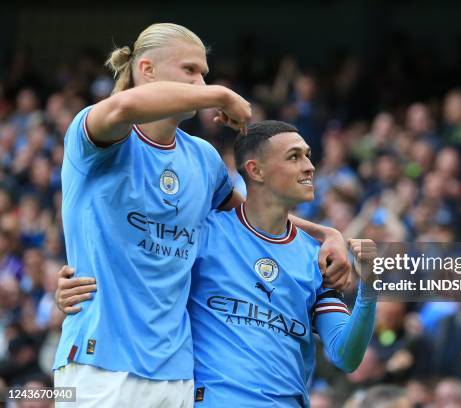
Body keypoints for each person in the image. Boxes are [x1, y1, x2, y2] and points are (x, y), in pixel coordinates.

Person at [55, 23, 350, 407]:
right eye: (190, 70)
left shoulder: (203, 159)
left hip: (177, 374)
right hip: (99, 362)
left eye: (204, 75)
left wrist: (327, 234)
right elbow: (125, 106)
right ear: (147, 70)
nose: (200, 83)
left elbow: (253, 221)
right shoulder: (98, 137)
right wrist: (222, 94)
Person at [58, 120, 377, 407]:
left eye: (308, 155)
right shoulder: (202, 235)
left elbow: (345, 354)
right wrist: (82, 280)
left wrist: (370, 289)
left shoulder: (316, 257)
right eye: (294, 157)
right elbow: (136, 268)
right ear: (256, 170)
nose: (309, 166)